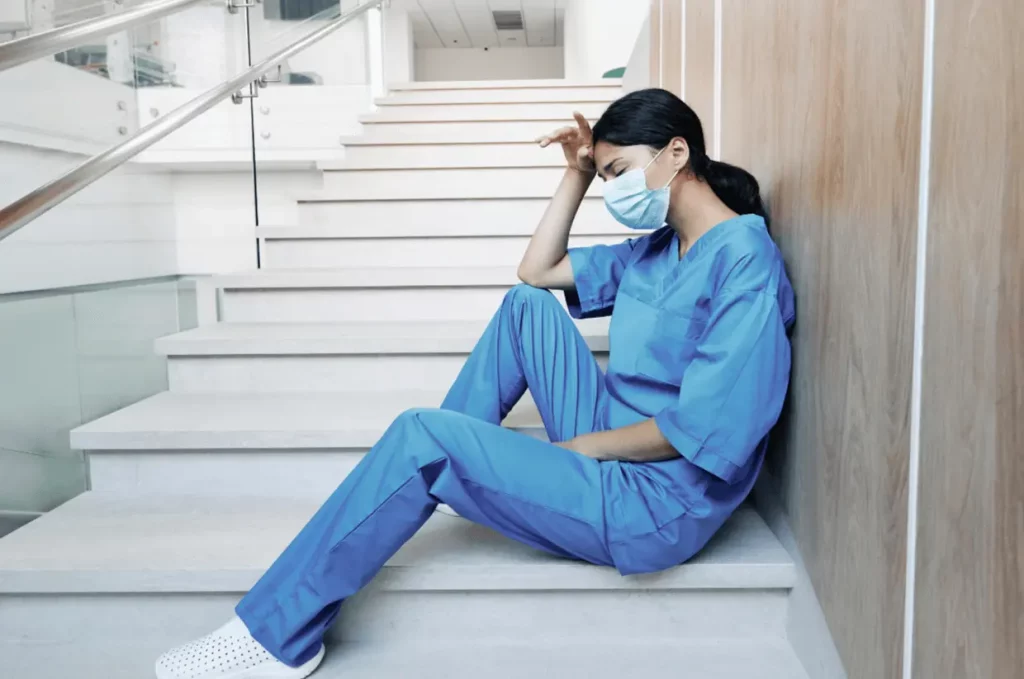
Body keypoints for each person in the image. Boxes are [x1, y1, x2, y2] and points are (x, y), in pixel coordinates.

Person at [154, 88, 796, 679]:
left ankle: (274, 637)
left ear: (677, 152)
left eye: (617, 173)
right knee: (527, 307)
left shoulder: (745, 261)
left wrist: (578, 451)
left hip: (657, 501)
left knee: (420, 436)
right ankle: (454, 465)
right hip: (608, 442)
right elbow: (537, 270)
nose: (612, 192)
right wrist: (574, 174)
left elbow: (710, 430)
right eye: (604, 179)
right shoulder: (654, 249)